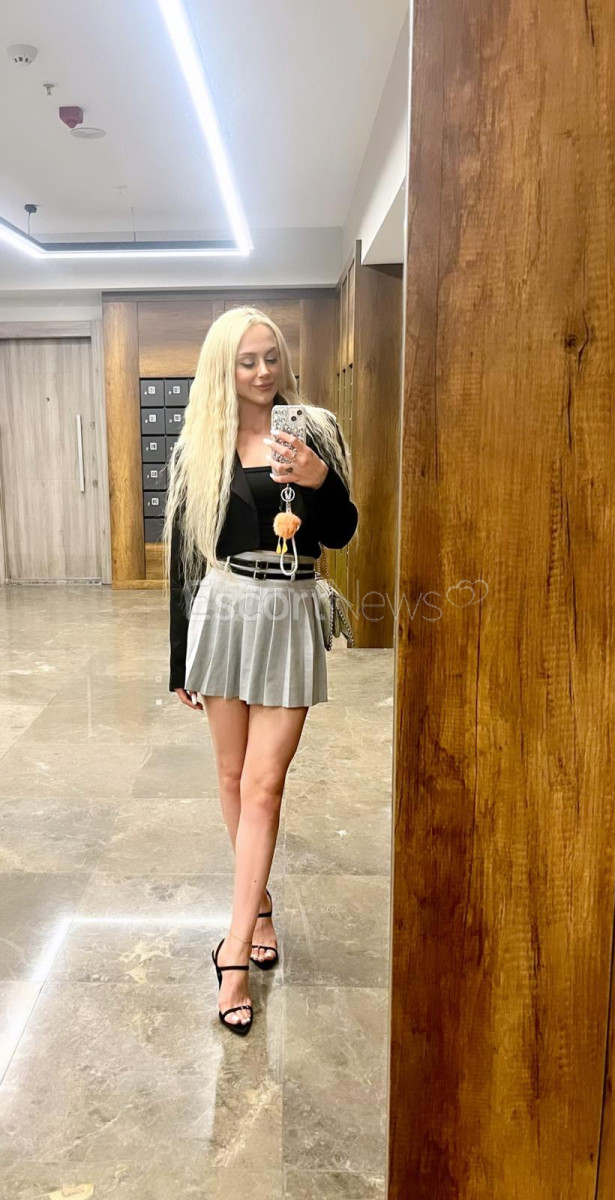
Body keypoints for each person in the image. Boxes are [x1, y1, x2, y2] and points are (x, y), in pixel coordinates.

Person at [163, 306, 358, 1034]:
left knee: (263, 784)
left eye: (271, 356)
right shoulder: (200, 445)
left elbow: (342, 531)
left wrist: (319, 480)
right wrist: (179, 660)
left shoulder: (313, 431)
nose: (263, 371)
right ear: (225, 367)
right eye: (247, 360)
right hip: (224, 607)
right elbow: (184, 556)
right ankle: (262, 906)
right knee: (230, 778)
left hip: (291, 607)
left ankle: (235, 951)